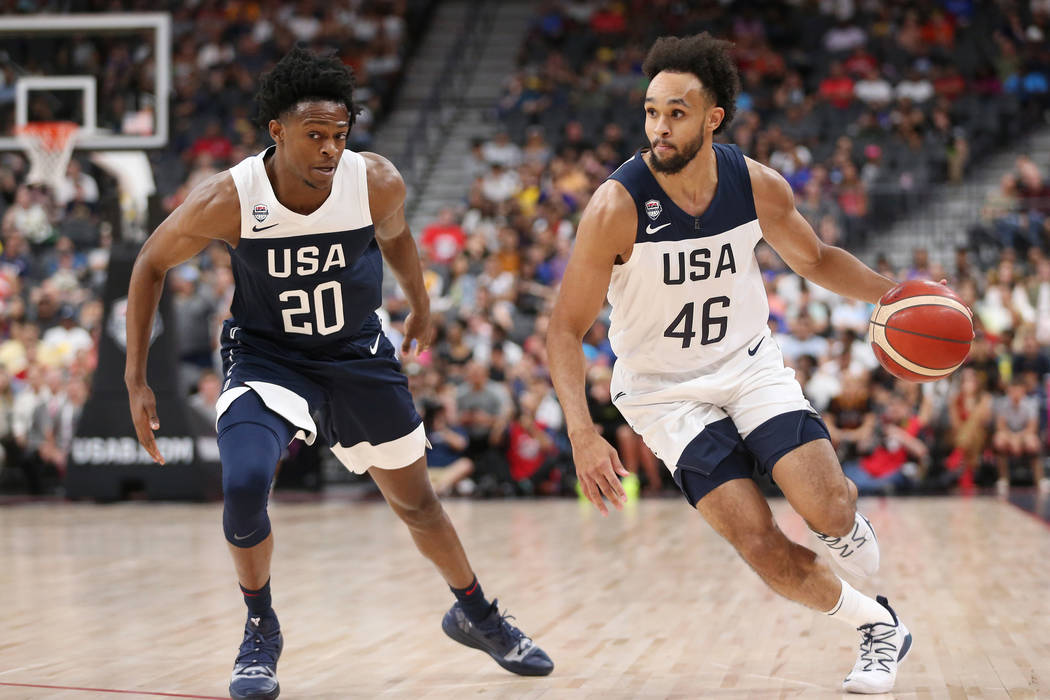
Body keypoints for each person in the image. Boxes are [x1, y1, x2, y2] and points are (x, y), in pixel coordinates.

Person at [124, 47, 552, 700]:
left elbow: (399, 236)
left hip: (356, 356)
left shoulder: (373, 180)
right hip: (269, 358)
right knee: (242, 486)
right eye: (315, 135)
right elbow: (150, 263)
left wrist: (424, 303)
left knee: (418, 503)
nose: (329, 149)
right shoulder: (230, 198)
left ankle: (477, 613)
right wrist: (136, 377)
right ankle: (260, 627)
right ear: (277, 131)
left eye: (339, 135)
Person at [546, 34, 912, 694]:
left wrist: (896, 295)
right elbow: (564, 329)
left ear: (714, 117)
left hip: (747, 364)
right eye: (652, 110)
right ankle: (878, 624)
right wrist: (581, 430)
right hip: (662, 393)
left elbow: (818, 258)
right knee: (761, 544)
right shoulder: (615, 206)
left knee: (828, 505)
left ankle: (846, 531)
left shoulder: (754, 185)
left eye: (677, 111)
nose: (660, 125)